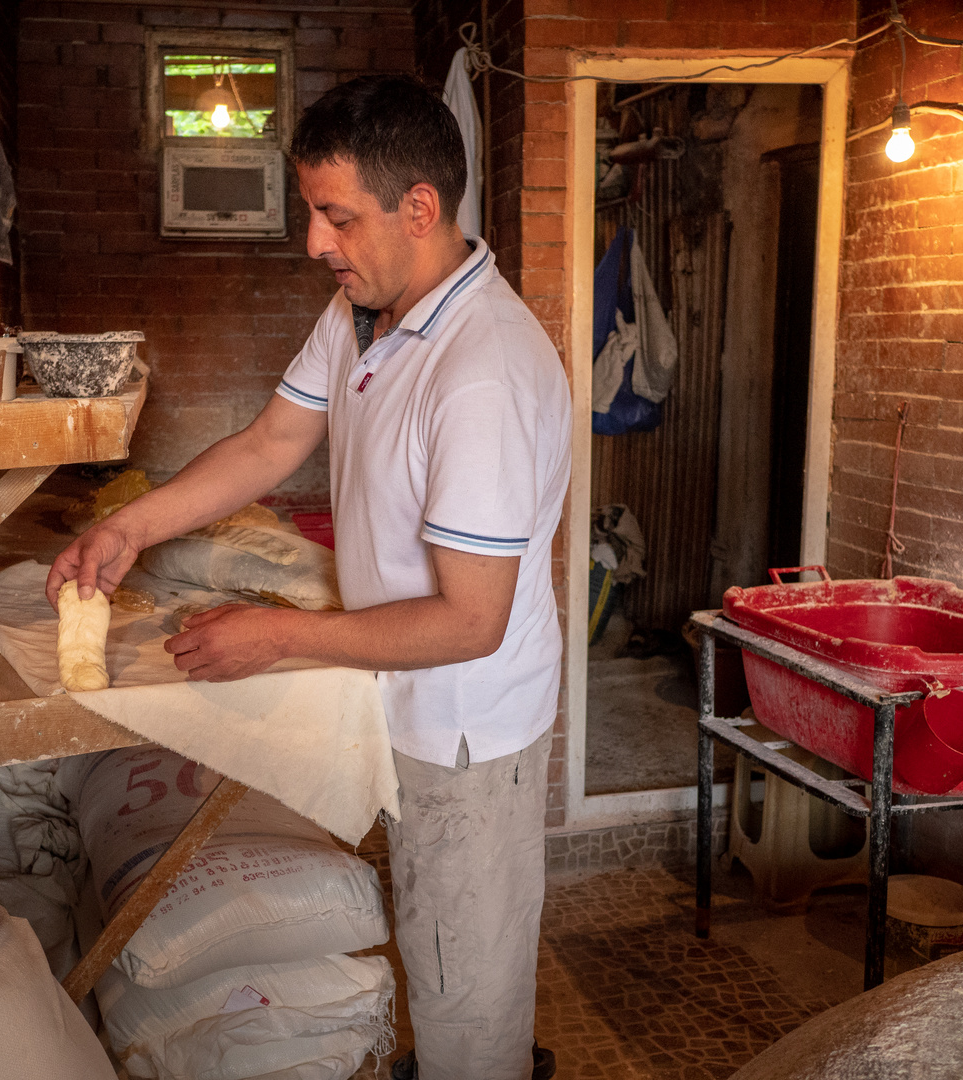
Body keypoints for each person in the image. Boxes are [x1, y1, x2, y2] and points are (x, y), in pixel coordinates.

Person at [46, 73, 571, 1080]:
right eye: (311, 214)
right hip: (404, 694)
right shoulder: (367, 315)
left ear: (419, 209)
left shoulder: (484, 372)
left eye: (337, 217)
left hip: (468, 724)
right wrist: (131, 530)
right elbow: (271, 440)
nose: (314, 243)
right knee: (432, 942)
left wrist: (277, 634)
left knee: (466, 984)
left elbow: (472, 622)